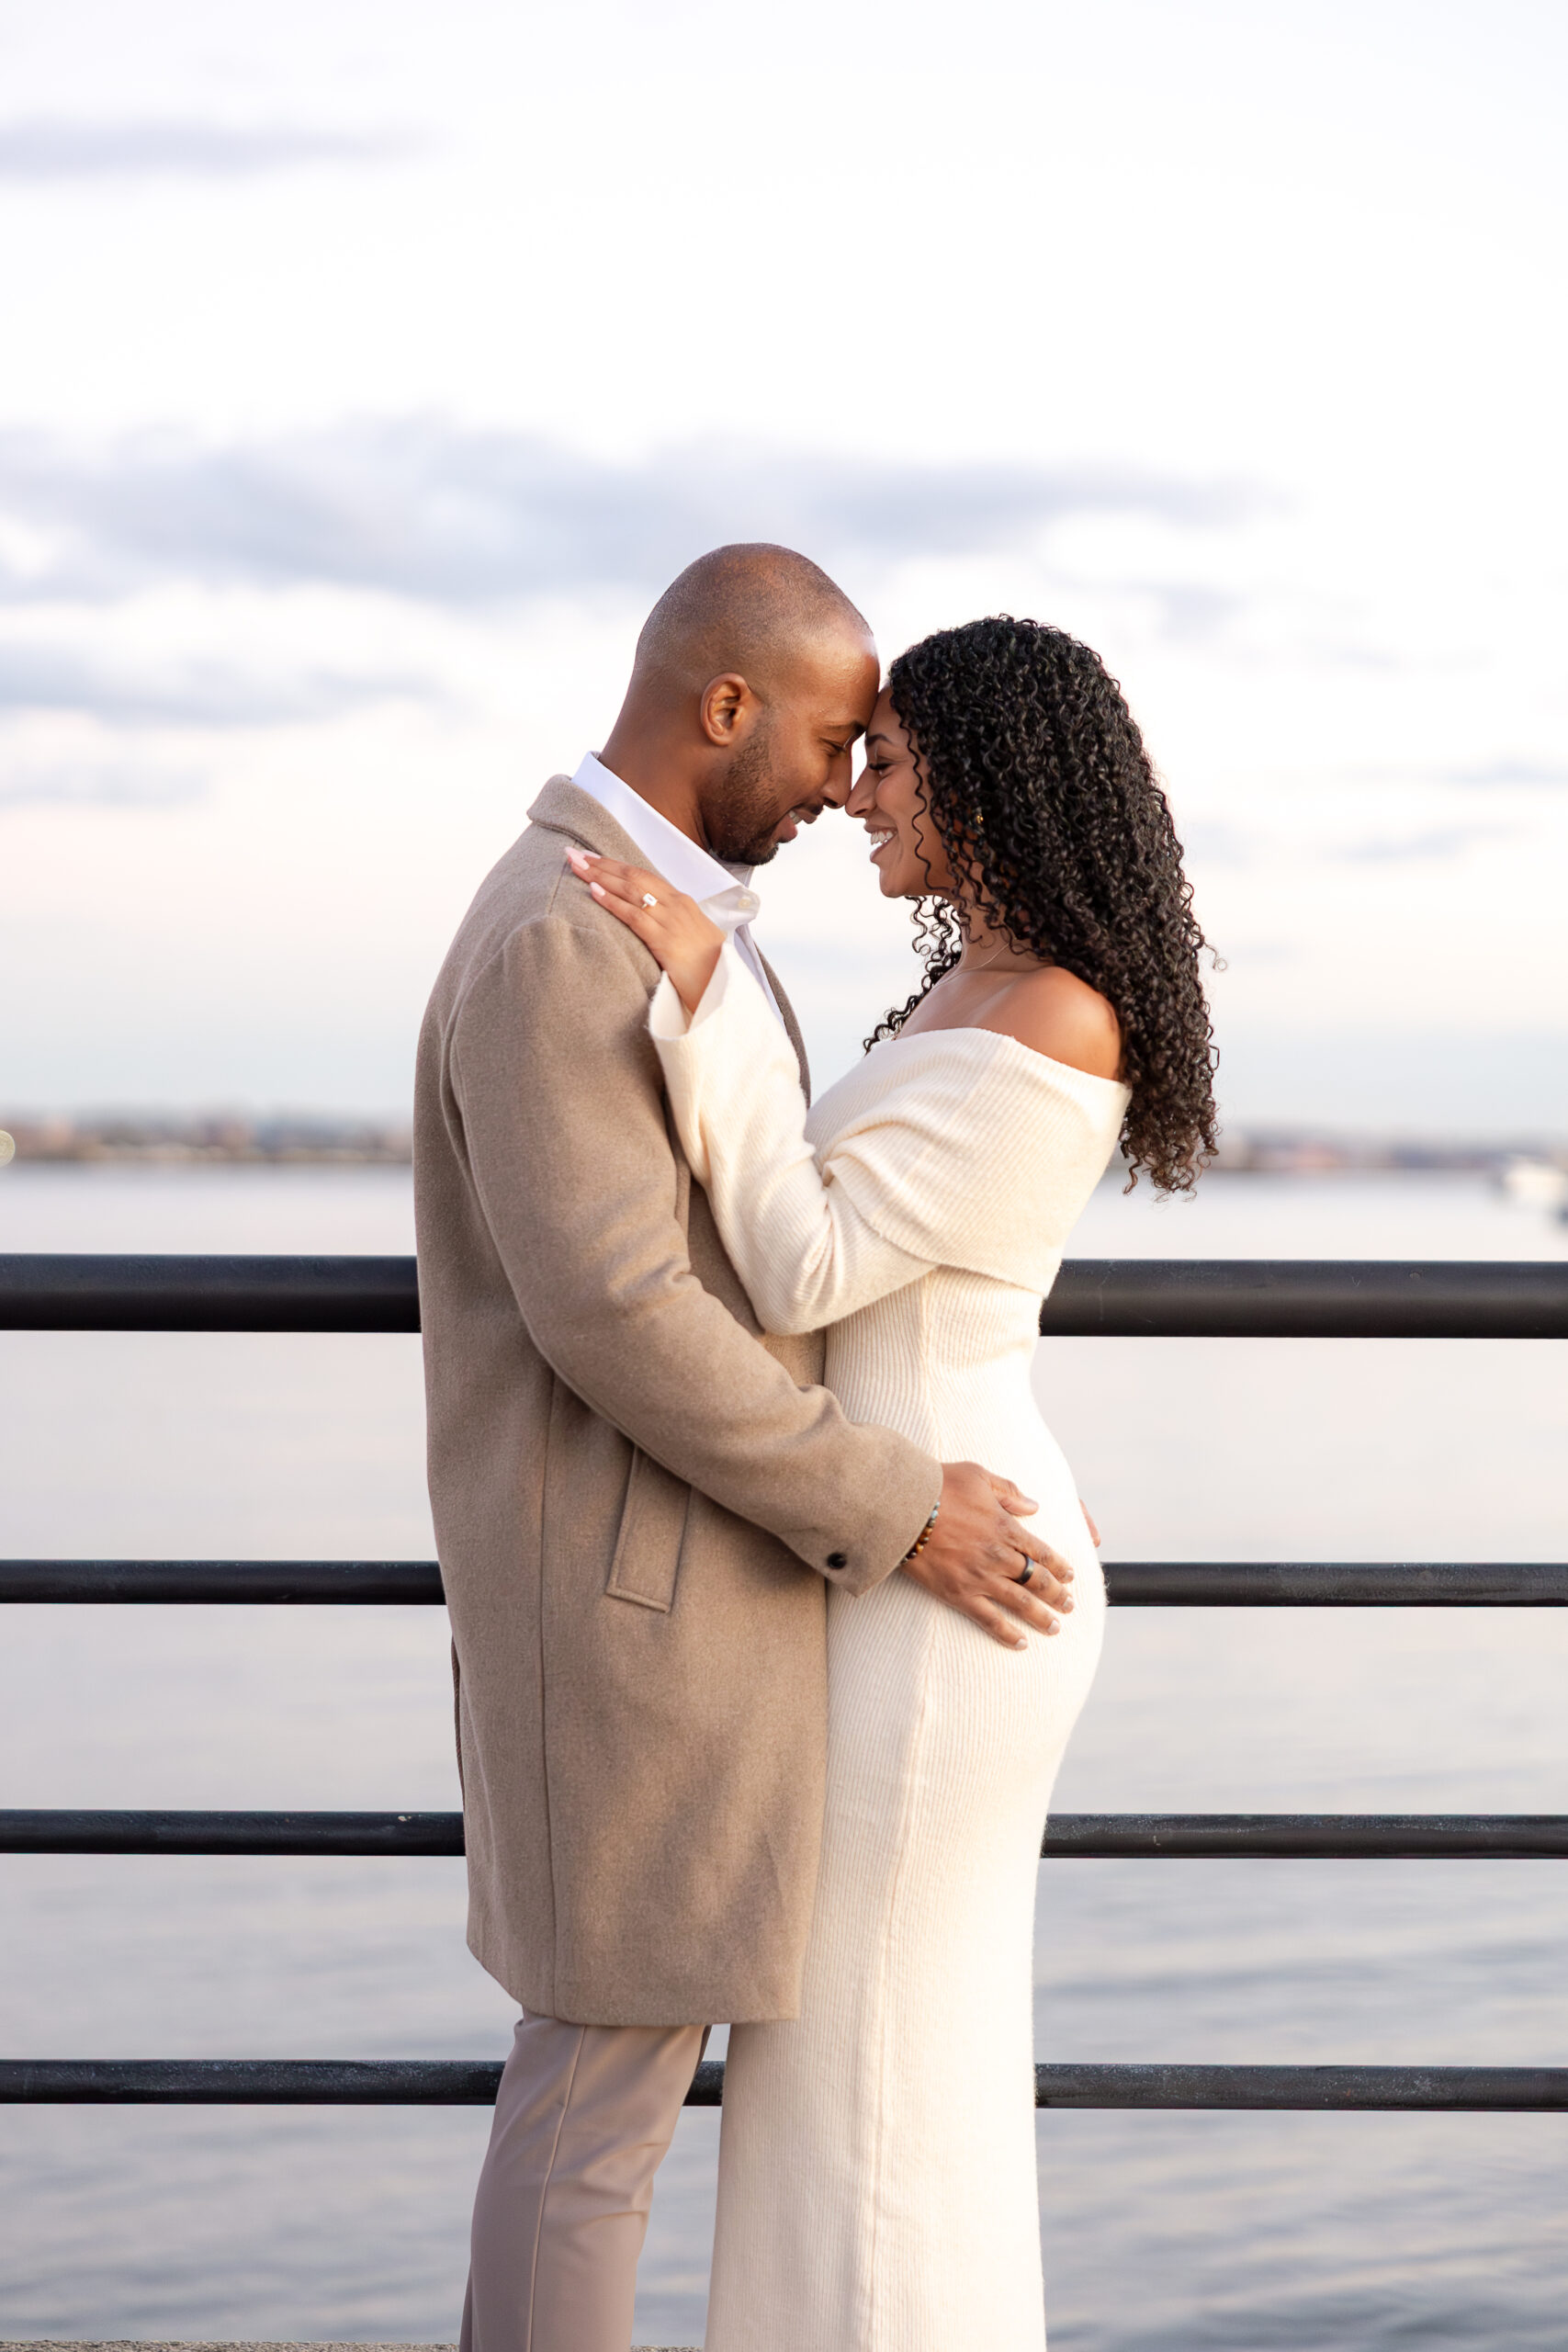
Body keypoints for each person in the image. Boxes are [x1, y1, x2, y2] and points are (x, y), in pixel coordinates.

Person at [412, 552, 1080, 2352]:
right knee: (593, 2116)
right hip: (630, 1606)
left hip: (683, 1593)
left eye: (873, 752)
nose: (838, 780)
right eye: (823, 736)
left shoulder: (634, 907)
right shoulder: (565, 928)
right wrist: (887, 1501)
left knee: (593, 2108)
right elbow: (621, 1307)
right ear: (724, 706)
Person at [576, 612, 1218, 2351]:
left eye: (892, 762)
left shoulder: (1060, 1016)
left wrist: (701, 999)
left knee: (878, 2044)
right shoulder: (976, 990)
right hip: (916, 1529)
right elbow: (943, 1280)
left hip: (947, 1586)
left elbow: (804, 1273)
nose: (857, 793)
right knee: (852, 2040)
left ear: (988, 782)